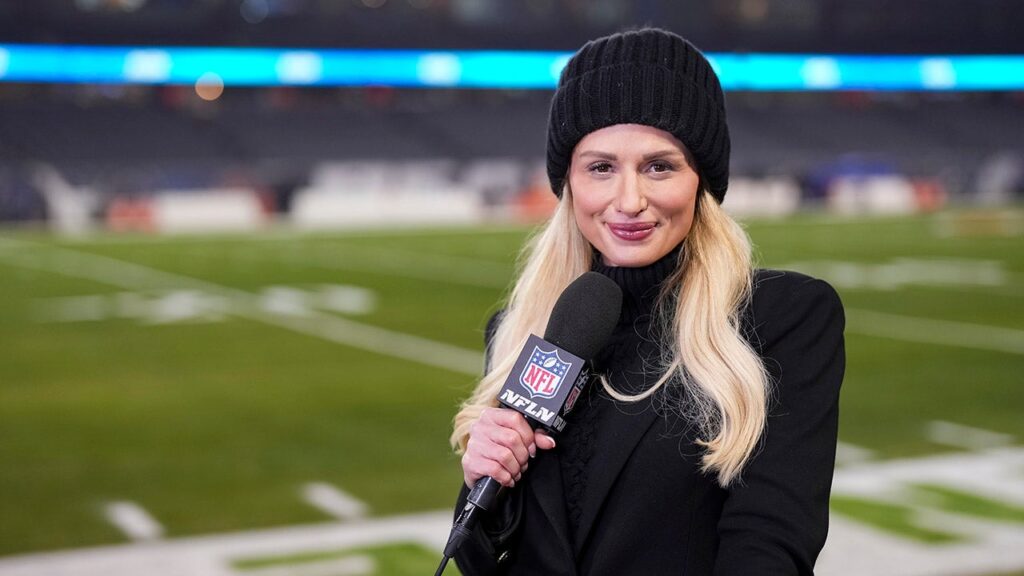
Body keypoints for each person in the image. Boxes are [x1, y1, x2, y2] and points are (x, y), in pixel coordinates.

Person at [450, 27, 845, 575]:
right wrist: (483, 482)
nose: (629, 200)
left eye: (659, 166)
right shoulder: (519, 329)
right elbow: (484, 562)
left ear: (702, 180)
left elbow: (770, 546)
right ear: (569, 183)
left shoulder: (780, 318)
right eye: (601, 168)